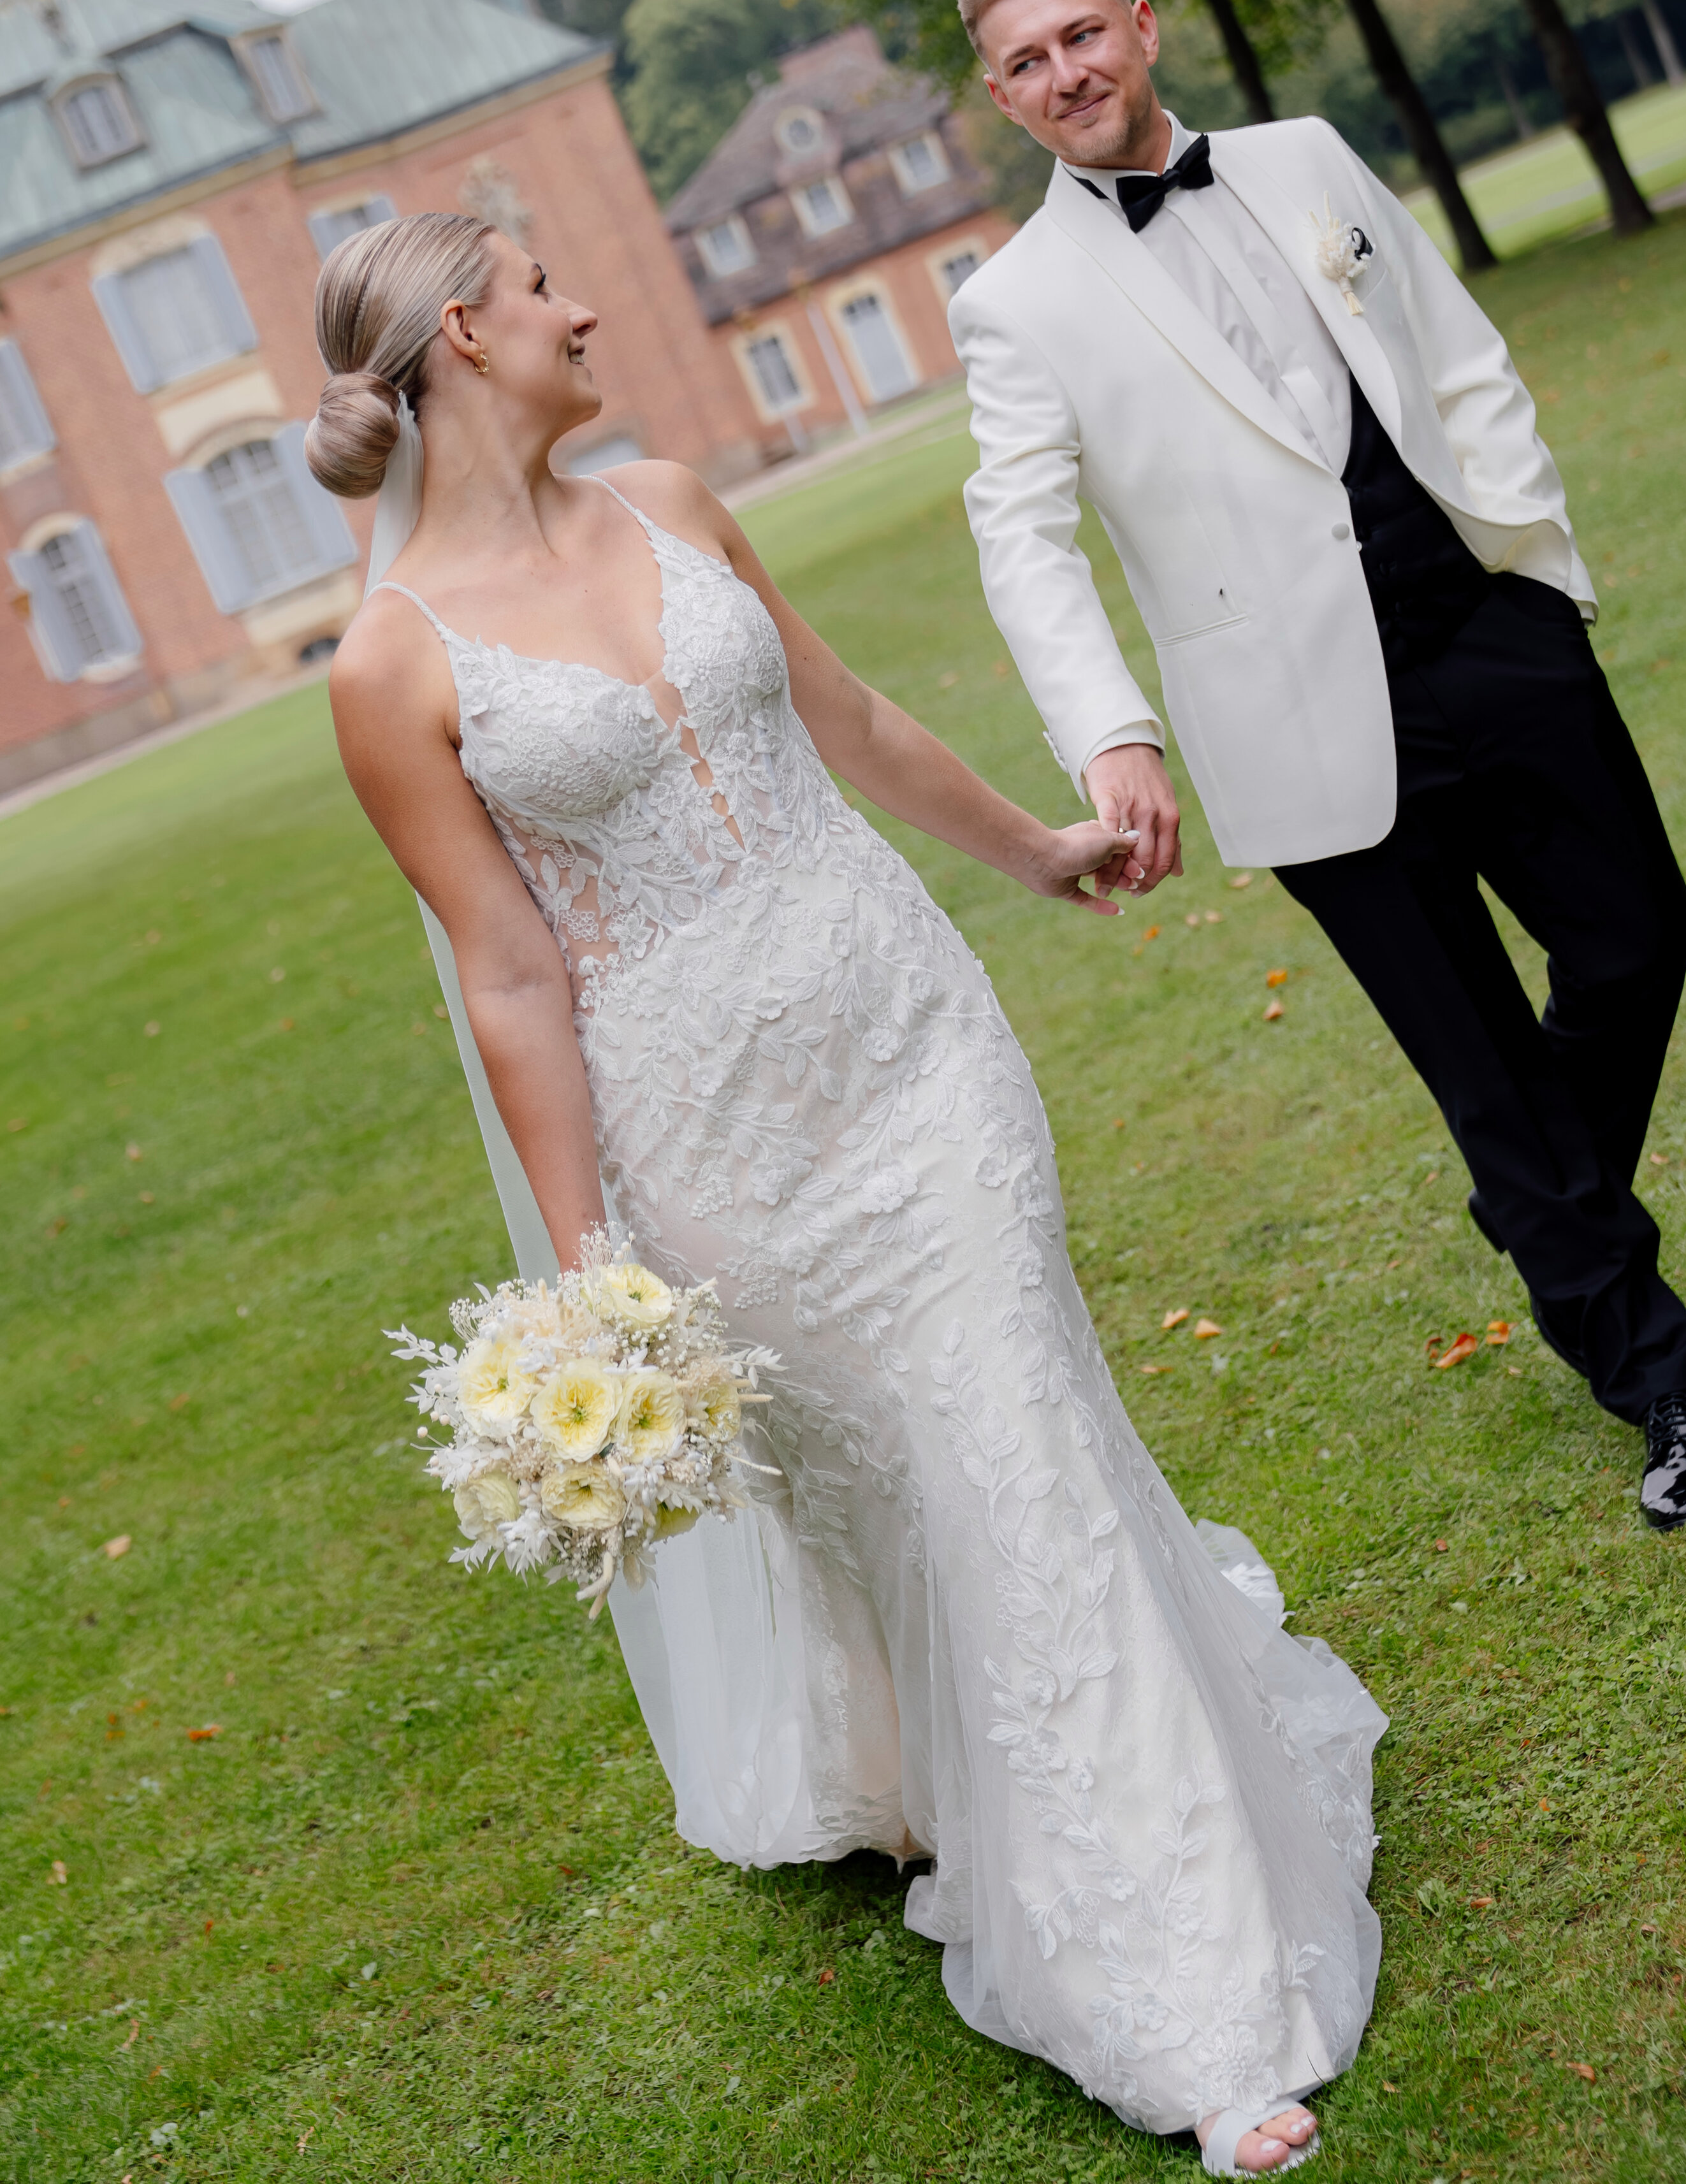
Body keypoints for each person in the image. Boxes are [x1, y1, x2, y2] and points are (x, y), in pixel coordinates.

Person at [310, 208, 1383, 2172]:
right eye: (547, 287)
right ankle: (914, 1759)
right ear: (465, 334)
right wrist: (588, 1275)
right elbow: (511, 972)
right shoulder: (389, 670)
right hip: (708, 1132)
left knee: (1021, 1441)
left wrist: (1033, 848)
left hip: (914, 1047)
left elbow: (849, 716)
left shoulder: (674, 495)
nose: (584, 303)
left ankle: (1187, 1984)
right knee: (893, 1484)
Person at [947, 0, 1686, 1535]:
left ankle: (1539, 1204)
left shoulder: (1307, 159)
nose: (1065, 74)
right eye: (1025, 61)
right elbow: (1019, 536)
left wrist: (1533, 561)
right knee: (1479, 1065)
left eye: (1082, 35)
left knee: (1638, 937)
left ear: (1143, 25)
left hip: (1487, 632)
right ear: (1000, 94)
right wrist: (1114, 731)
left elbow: (1456, 348)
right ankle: (1655, 1378)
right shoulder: (1016, 302)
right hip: (1291, 720)